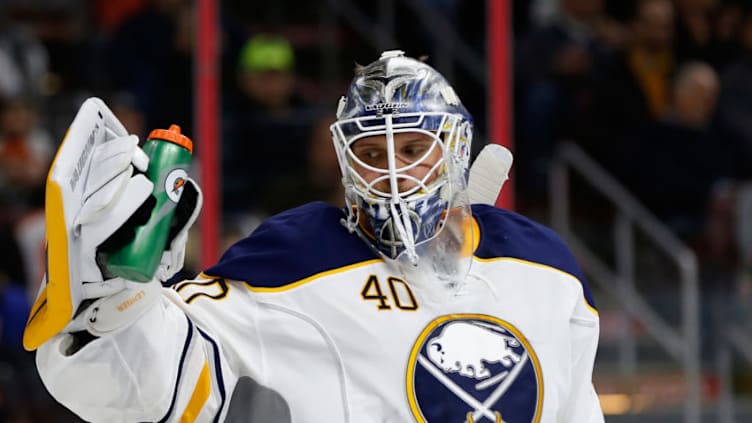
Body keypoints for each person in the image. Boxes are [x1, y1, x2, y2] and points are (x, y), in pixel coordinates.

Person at [24, 51, 603, 422]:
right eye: (372, 153)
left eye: (413, 149)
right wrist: (112, 300)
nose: (394, 172)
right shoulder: (295, 256)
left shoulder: (543, 265)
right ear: (345, 162)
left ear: (454, 150)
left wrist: (457, 269)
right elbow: (150, 385)